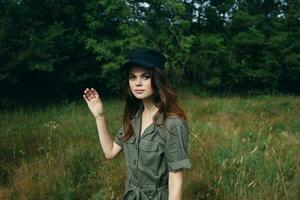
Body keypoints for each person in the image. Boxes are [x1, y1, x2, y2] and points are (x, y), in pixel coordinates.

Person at [83, 48, 192, 200]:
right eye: (132, 77)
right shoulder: (134, 117)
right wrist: (99, 115)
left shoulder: (173, 124)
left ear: (157, 79)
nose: (138, 83)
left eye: (145, 77)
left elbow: (176, 181)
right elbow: (110, 152)